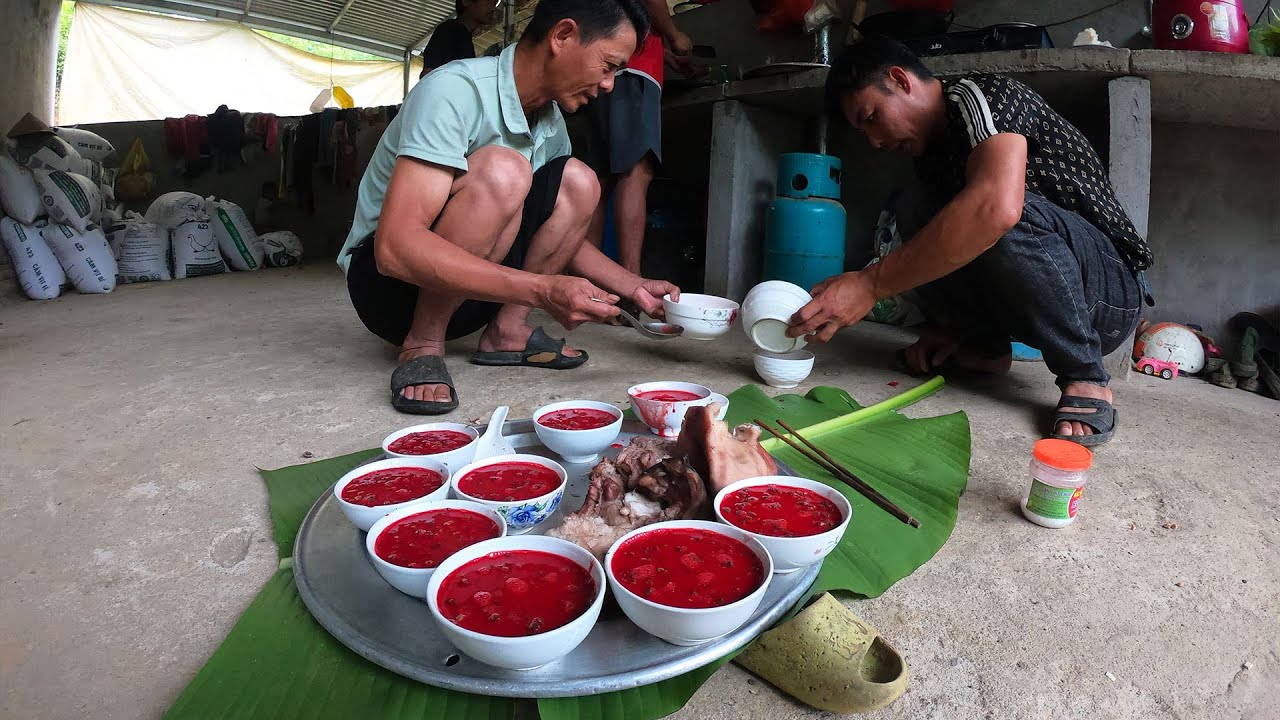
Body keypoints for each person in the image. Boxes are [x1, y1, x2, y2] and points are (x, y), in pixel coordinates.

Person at [788, 35, 1154, 446]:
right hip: (1035, 306)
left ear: (900, 80)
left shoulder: (983, 96)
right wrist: (956, 324)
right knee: (918, 209)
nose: (873, 141)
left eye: (871, 116)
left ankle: (1085, 376)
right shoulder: (930, 158)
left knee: (999, 210)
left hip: (1107, 295)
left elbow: (997, 210)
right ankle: (984, 346)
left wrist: (870, 284)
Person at [339, 0, 678, 415]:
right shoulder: (454, 91)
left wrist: (633, 287)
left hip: (472, 295)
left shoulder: (550, 124)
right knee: (506, 170)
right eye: (608, 65)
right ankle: (423, 343)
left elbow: (558, 236)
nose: (609, 84)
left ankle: (507, 330)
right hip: (388, 291)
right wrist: (542, 289)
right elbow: (394, 249)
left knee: (578, 181)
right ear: (563, 36)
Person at [573, 1, 693, 275]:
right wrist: (674, 34)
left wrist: (666, 57)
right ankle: (630, 281)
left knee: (599, 180)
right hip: (633, 73)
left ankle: (589, 281)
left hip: (609, 69)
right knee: (636, 172)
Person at [418, 0, 500, 78]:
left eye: (495, 3)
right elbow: (428, 73)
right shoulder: (449, 30)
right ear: (466, 1)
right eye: (488, 1)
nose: (493, 8)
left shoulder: (464, 36)